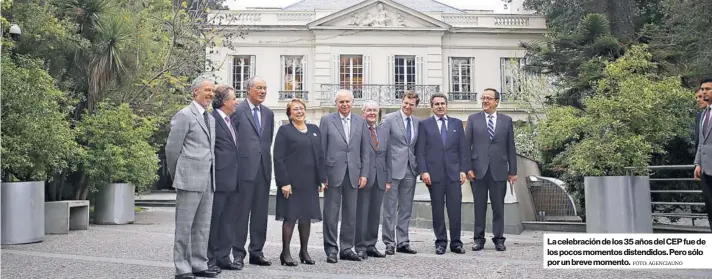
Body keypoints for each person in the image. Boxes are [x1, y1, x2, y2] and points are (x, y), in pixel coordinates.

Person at [165, 75, 219, 279]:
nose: (211, 94)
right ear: (195, 91)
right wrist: (177, 174)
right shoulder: (184, 115)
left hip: (208, 179)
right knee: (184, 227)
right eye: (207, 90)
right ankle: (182, 267)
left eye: (213, 91)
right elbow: (172, 149)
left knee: (203, 226)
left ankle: (198, 263)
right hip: (189, 178)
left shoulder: (210, 118)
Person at [273, 98, 327, 266]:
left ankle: (304, 251)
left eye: (301, 108)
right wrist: (284, 182)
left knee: (306, 217)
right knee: (291, 217)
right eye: (295, 109)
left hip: (310, 182)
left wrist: (322, 179)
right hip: (292, 183)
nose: (299, 111)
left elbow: (320, 156)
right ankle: (285, 253)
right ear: (290, 114)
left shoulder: (314, 129)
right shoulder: (284, 130)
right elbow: (278, 158)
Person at [319, 89, 371, 263]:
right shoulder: (327, 120)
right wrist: (322, 175)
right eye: (341, 102)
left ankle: (347, 248)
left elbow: (365, 150)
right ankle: (331, 249)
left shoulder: (361, 122)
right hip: (332, 172)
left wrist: (364, 173)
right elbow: (321, 149)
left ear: (353, 103)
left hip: (354, 173)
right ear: (336, 104)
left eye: (347, 101)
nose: (345, 105)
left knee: (351, 213)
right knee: (331, 213)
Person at [465, 88, 517, 252]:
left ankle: (499, 239)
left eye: (488, 98)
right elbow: (466, 146)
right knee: (479, 207)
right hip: (478, 170)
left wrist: (513, 171)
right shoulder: (473, 119)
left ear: (496, 101)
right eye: (483, 98)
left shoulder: (506, 121)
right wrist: (467, 168)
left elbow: (511, 147)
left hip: (499, 170)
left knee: (498, 207)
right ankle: (478, 240)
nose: (485, 101)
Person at [415, 93, 468, 255]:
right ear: (432, 107)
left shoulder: (457, 124)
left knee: (455, 210)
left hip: (453, 175)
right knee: (437, 210)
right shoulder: (425, 125)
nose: (440, 106)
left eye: (442, 103)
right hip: (434, 175)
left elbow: (463, 150)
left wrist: (463, 170)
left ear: (446, 105)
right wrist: (423, 171)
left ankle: (456, 243)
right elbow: (420, 151)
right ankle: (440, 242)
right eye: (436, 104)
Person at [231, 76, 275, 268]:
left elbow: (267, 142)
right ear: (248, 89)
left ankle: (257, 252)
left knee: (260, 214)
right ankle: (238, 254)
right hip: (243, 170)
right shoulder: (237, 110)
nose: (263, 91)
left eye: (265, 88)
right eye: (259, 88)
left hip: (263, 170)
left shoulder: (269, 114)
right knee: (241, 214)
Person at [380, 91, 420, 255]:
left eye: (411, 104)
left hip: (410, 169)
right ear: (401, 102)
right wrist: (384, 172)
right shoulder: (389, 119)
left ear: (416, 106)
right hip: (392, 170)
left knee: (405, 208)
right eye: (405, 103)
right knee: (389, 208)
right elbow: (382, 146)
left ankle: (403, 241)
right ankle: (389, 242)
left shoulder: (418, 122)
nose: (407, 106)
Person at [207, 85, 241, 271]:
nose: (236, 102)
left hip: (233, 179)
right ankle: (210, 258)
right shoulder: (211, 119)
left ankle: (223, 257)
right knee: (215, 220)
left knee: (229, 220)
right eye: (234, 98)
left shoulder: (231, 121)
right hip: (218, 180)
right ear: (225, 101)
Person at [354, 101, 391, 259]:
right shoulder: (357, 130)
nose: (372, 113)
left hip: (380, 177)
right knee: (362, 213)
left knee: (375, 213)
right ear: (363, 113)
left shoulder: (383, 131)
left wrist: (388, 179)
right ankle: (360, 246)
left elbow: (388, 155)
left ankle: (371, 244)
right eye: (368, 110)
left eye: (375, 111)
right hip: (364, 177)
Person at [693, 78, 712, 232]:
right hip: (705, 170)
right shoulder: (704, 114)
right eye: (702, 89)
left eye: (707, 89)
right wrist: (698, 163)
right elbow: (701, 142)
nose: (704, 92)